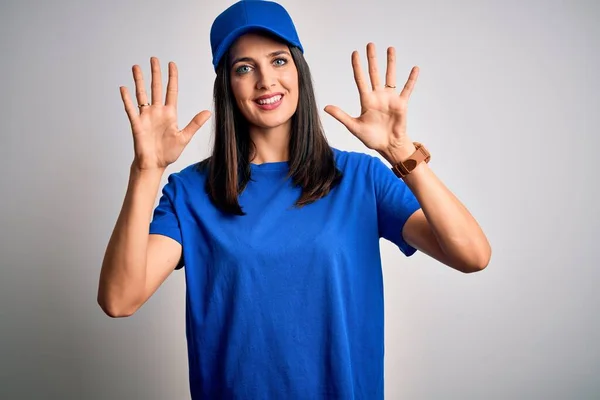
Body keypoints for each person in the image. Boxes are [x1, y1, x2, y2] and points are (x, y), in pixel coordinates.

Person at [97, 0, 492, 398]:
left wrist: (400, 151)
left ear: (299, 69)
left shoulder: (361, 179)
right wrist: (146, 171)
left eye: (279, 60)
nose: (266, 80)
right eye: (244, 68)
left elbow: (471, 255)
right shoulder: (191, 191)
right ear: (227, 86)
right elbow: (119, 299)